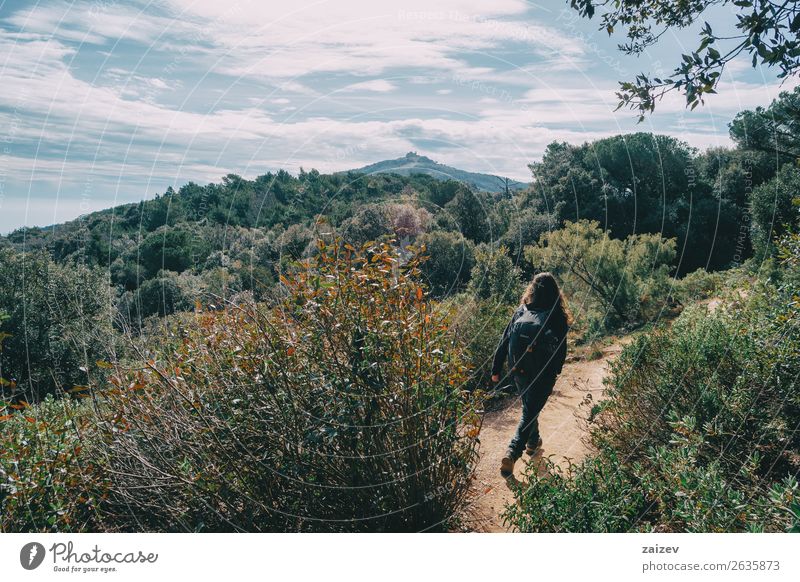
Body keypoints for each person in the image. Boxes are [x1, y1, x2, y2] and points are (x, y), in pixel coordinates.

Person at [491, 272, 570, 477]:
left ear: (532, 290)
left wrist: (496, 369)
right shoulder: (556, 315)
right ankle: (512, 451)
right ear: (555, 292)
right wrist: (557, 370)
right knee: (530, 411)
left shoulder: (521, 311)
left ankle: (533, 442)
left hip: (518, 370)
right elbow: (561, 348)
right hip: (543, 374)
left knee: (529, 408)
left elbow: (505, 340)